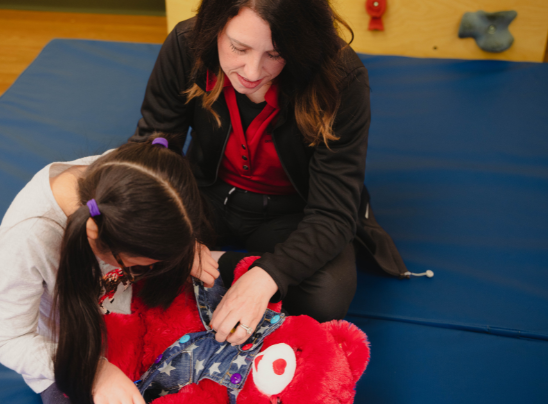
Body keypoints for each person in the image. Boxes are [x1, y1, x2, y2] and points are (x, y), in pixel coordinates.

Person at [130, 0, 407, 347]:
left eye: (275, 54)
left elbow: (333, 213)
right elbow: (156, 146)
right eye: (238, 48)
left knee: (326, 298)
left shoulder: (342, 78)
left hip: (290, 211)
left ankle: (221, 265)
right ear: (215, 28)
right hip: (205, 195)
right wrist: (179, 237)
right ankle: (221, 265)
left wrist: (266, 276)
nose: (251, 70)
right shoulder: (187, 44)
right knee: (133, 250)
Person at [0, 136, 219, 404]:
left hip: (138, 316)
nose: (154, 266)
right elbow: (8, 341)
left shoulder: (131, 173)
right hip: (74, 351)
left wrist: (183, 247)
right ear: (94, 234)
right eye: (145, 261)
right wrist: (94, 371)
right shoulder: (28, 238)